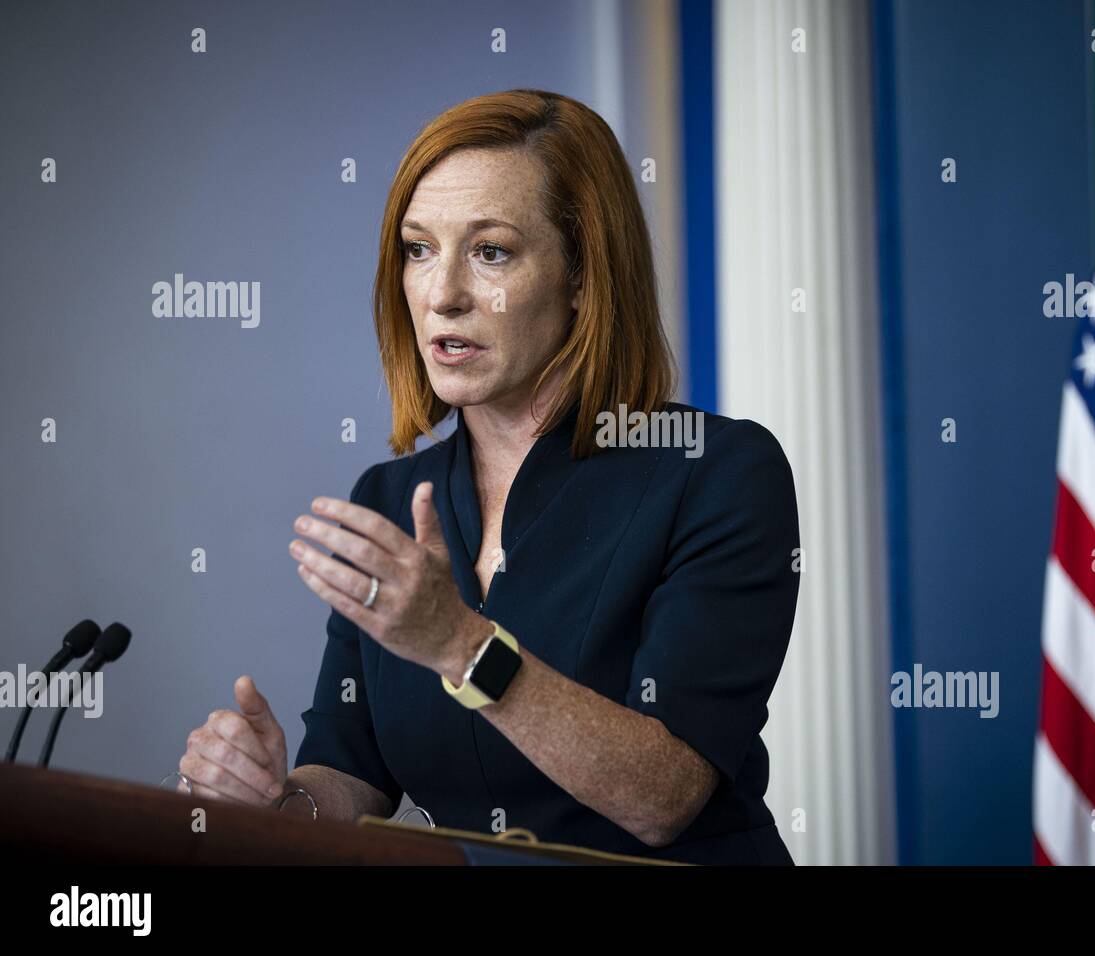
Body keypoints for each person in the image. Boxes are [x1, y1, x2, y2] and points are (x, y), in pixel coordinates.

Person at [178, 89, 801, 865]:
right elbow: (351, 773)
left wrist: (463, 647)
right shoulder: (389, 499)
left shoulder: (718, 474)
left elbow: (663, 797)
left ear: (583, 276)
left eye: (491, 252)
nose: (442, 295)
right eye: (418, 249)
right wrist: (276, 802)